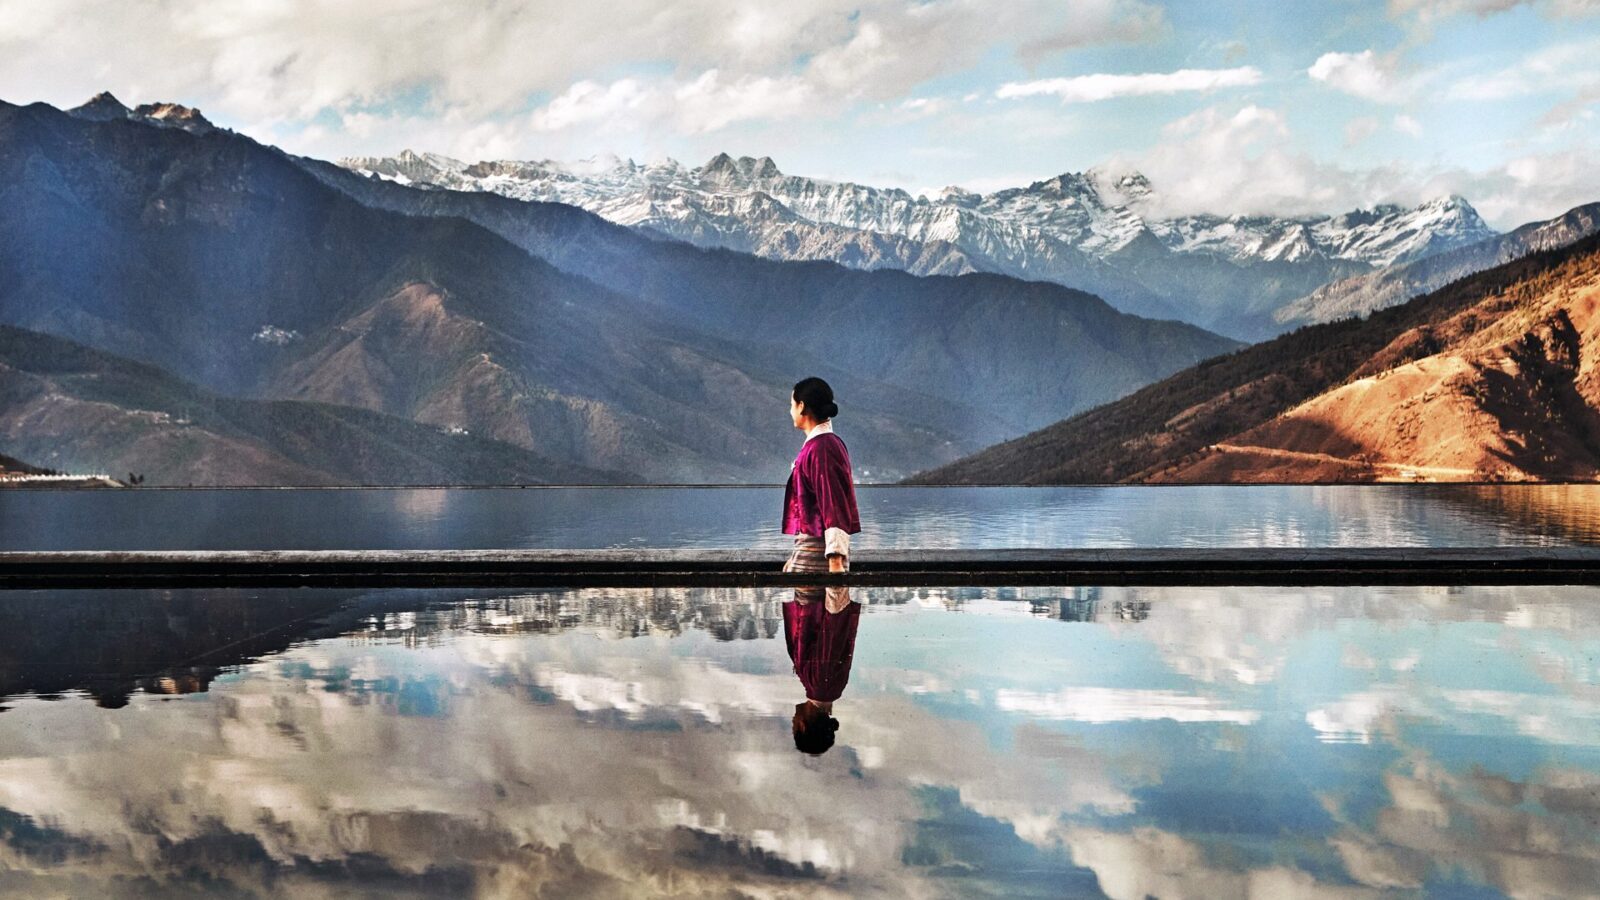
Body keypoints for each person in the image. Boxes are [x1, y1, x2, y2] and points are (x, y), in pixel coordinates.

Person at [781, 377, 861, 575]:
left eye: (791, 404)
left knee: (814, 606)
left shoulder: (823, 448)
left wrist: (835, 559)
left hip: (819, 556)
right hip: (811, 550)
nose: (790, 410)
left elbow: (833, 501)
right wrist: (795, 557)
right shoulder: (818, 445)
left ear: (801, 406)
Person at [785, 585, 860, 755]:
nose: (792, 720)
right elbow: (832, 635)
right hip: (815, 589)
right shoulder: (820, 686)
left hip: (815, 592)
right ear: (802, 726)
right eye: (793, 725)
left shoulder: (832, 689)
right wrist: (835, 587)